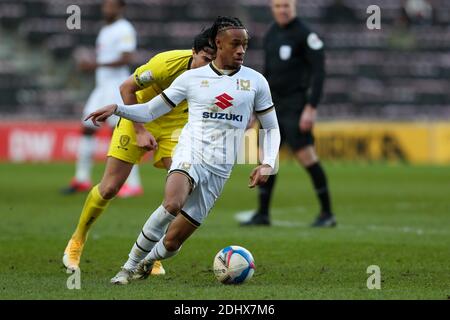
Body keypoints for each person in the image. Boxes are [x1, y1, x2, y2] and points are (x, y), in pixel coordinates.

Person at [85, 16, 281, 285]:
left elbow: (271, 128)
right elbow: (152, 109)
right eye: (235, 44)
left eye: (245, 45)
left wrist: (268, 162)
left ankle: (147, 261)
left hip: (220, 168)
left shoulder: (256, 81)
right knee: (172, 204)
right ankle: (127, 268)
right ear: (218, 43)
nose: (241, 50)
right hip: (190, 152)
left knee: (173, 242)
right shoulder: (192, 78)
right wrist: (118, 108)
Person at [62, 29, 216, 274]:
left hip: (176, 127)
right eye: (206, 60)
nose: (210, 67)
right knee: (110, 187)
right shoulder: (166, 63)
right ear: (194, 52)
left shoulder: (219, 73)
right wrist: (141, 130)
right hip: (141, 117)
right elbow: (126, 88)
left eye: (214, 62)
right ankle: (77, 240)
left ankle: (148, 252)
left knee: (182, 192)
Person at [241, 0, 336, 227]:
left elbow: (319, 73)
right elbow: (267, 73)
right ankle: (263, 214)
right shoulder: (271, 33)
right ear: (272, 8)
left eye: (286, 6)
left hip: (296, 106)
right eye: (278, 6)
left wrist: (311, 108)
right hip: (271, 106)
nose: (282, 10)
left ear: (294, 7)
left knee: (306, 157)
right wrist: (256, 106)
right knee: (266, 159)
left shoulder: (306, 35)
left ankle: (327, 213)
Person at [61, 0, 143, 198]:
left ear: (121, 8)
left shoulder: (124, 29)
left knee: (121, 132)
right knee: (87, 127)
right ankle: (81, 179)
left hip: (116, 87)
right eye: (105, 6)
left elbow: (127, 57)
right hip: (101, 87)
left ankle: (133, 184)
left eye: (111, 6)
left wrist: (95, 65)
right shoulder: (105, 30)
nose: (107, 9)